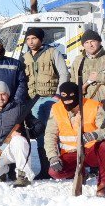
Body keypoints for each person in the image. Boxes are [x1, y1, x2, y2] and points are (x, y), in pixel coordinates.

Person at [69, 29, 105, 180]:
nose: (90, 45)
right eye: (86, 42)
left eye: (92, 41)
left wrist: (101, 77)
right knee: (93, 139)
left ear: (99, 42)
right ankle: (96, 170)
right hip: (90, 108)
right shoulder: (78, 60)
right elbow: (74, 83)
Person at [44, 82, 105, 197]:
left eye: (71, 96)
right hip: (71, 154)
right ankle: (80, 173)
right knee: (54, 172)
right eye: (64, 96)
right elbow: (50, 135)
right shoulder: (56, 108)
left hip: (91, 151)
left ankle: (104, 184)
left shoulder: (93, 106)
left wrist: (94, 135)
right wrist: (53, 157)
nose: (67, 100)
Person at [20, 27, 70, 179]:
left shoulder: (53, 53)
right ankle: (45, 170)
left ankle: (60, 167)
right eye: (28, 39)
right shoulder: (24, 57)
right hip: (33, 101)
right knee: (40, 133)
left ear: (41, 39)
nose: (30, 42)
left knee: (53, 133)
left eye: (33, 38)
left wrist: (58, 96)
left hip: (50, 99)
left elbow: (63, 73)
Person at [0, 81, 42, 187]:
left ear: (8, 94)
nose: (0, 97)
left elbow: (36, 127)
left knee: (19, 140)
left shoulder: (19, 108)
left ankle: (23, 176)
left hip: (12, 148)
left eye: (3, 94)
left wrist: (26, 132)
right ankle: (4, 169)